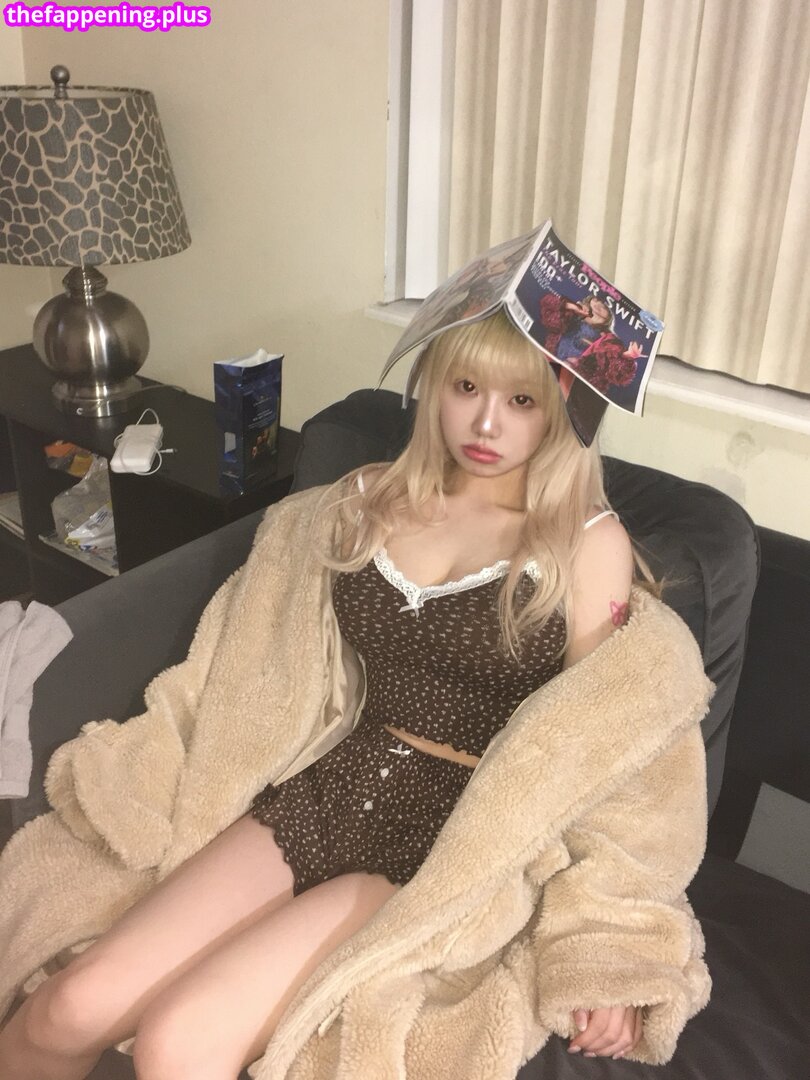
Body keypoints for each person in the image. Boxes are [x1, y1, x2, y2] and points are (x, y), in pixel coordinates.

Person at [0, 310, 710, 1080]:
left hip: (451, 836)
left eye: (521, 400)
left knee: (179, 1043)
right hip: (329, 788)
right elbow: (264, 649)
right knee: (67, 1008)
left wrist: (610, 949)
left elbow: (613, 741)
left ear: (563, 410)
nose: (485, 423)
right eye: (465, 387)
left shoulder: (585, 540)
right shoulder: (368, 498)